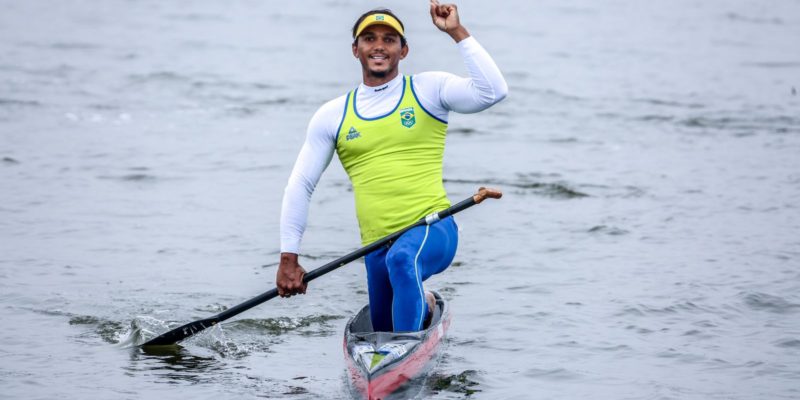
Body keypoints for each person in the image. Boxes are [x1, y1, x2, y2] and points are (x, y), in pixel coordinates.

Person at [276, 0, 507, 332]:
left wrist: (456, 31)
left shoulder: (428, 90)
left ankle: (405, 346)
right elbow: (300, 185)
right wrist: (288, 259)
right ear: (355, 50)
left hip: (434, 228)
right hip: (377, 246)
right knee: (383, 320)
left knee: (404, 259)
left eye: (389, 39)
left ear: (404, 49)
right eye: (370, 39)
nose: (379, 46)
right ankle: (421, 309)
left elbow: (493, 92)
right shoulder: (333, 115)